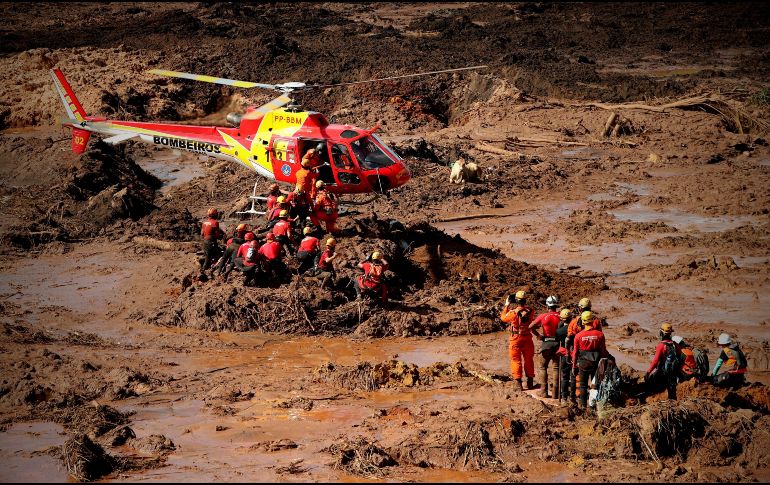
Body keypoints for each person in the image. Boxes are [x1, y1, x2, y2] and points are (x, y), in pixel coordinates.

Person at [572, 311, 613, 410]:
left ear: (582, 321)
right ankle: (593, 407)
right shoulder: (599, 335)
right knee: (595, 385)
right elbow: (603, 351)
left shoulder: (578, 336)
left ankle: (582, 406)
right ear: (592, 321)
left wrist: (574, 366)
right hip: (596, 363)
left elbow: (575, 353)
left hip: (583, 364)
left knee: (583, 385)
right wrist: (606, 362)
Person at [500, 290, 536, 391]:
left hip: (515, 339)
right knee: (529, 360)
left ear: (516, 300)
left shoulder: (513, 313)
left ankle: (518, 383)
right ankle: (530, 382)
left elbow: (503, 318)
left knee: (516, 360)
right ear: (525, 300)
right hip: (527, 338)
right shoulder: (531, 311)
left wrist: (507, 305)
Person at [529, 295, 561, 398]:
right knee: (556, 367)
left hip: (546, 343)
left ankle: (544, 391)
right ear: (556, 306)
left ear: (547, 306)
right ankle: (556, 393)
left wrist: (538, 335)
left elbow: (530, 326)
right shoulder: (561, 316)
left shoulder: (543, 316)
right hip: (558, 343)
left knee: (543, 367)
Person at [645, 323, 679, 400]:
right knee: (672, 390)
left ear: (661, 333)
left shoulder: (661, 346)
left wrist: (648, 372)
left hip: (663, 372)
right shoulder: (675, 344)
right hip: (673, 372)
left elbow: (655, 361)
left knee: (651, 382)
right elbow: (679, 357)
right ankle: (673, 401)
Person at [200, 207, 224, 275]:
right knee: (216, 255)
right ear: (215, 214)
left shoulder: (204, 223)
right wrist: (221, 237)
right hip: (211, 242)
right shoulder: (215, 223)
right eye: (216, 214)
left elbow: (202, 234)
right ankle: (203, 270)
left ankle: (207, 266)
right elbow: (217, 235)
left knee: (208, 255)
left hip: (205, 242)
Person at [557, 308, 572, 405]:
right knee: (575, 376)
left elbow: (557, 338)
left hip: (564, 354)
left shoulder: (560, 331)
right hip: (574, 353)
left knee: (565, 376)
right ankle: (574, 396)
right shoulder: (575, 328)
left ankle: (564, 398)